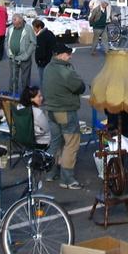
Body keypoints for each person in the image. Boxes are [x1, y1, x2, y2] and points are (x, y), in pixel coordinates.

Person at [42, 43, 86, 189]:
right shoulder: (65, 70)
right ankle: (67, 178)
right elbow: (79, 87)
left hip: (51, 110)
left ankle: (50, 172)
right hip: (65, 110)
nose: (70, 56)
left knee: (55, 142)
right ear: (60, 55)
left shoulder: (49, 67)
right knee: (71, 142)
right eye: (68, 54)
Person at [5, 13, 36, 96]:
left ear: (22, 22)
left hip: (24, 58)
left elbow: (33, 43)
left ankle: (25, 96)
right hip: (13, 57)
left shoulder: (28, 29)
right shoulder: (11, 28)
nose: (16, 26)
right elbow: (6, 40)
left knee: (25, 78)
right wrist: (8, 52)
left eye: (18, 24)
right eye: (14, 24)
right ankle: (12, 94)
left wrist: (26, 55)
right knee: (13, 78)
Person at [33, 19, 56, 86]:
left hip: (43, 62)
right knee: (49, 79)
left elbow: (40, 51)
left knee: (43, 81)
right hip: (51, 60)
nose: (34, 29)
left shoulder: (41, 36)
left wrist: (39, 60)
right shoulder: (50, 33)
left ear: (39, 27)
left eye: (34, 27)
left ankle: (44, 95)